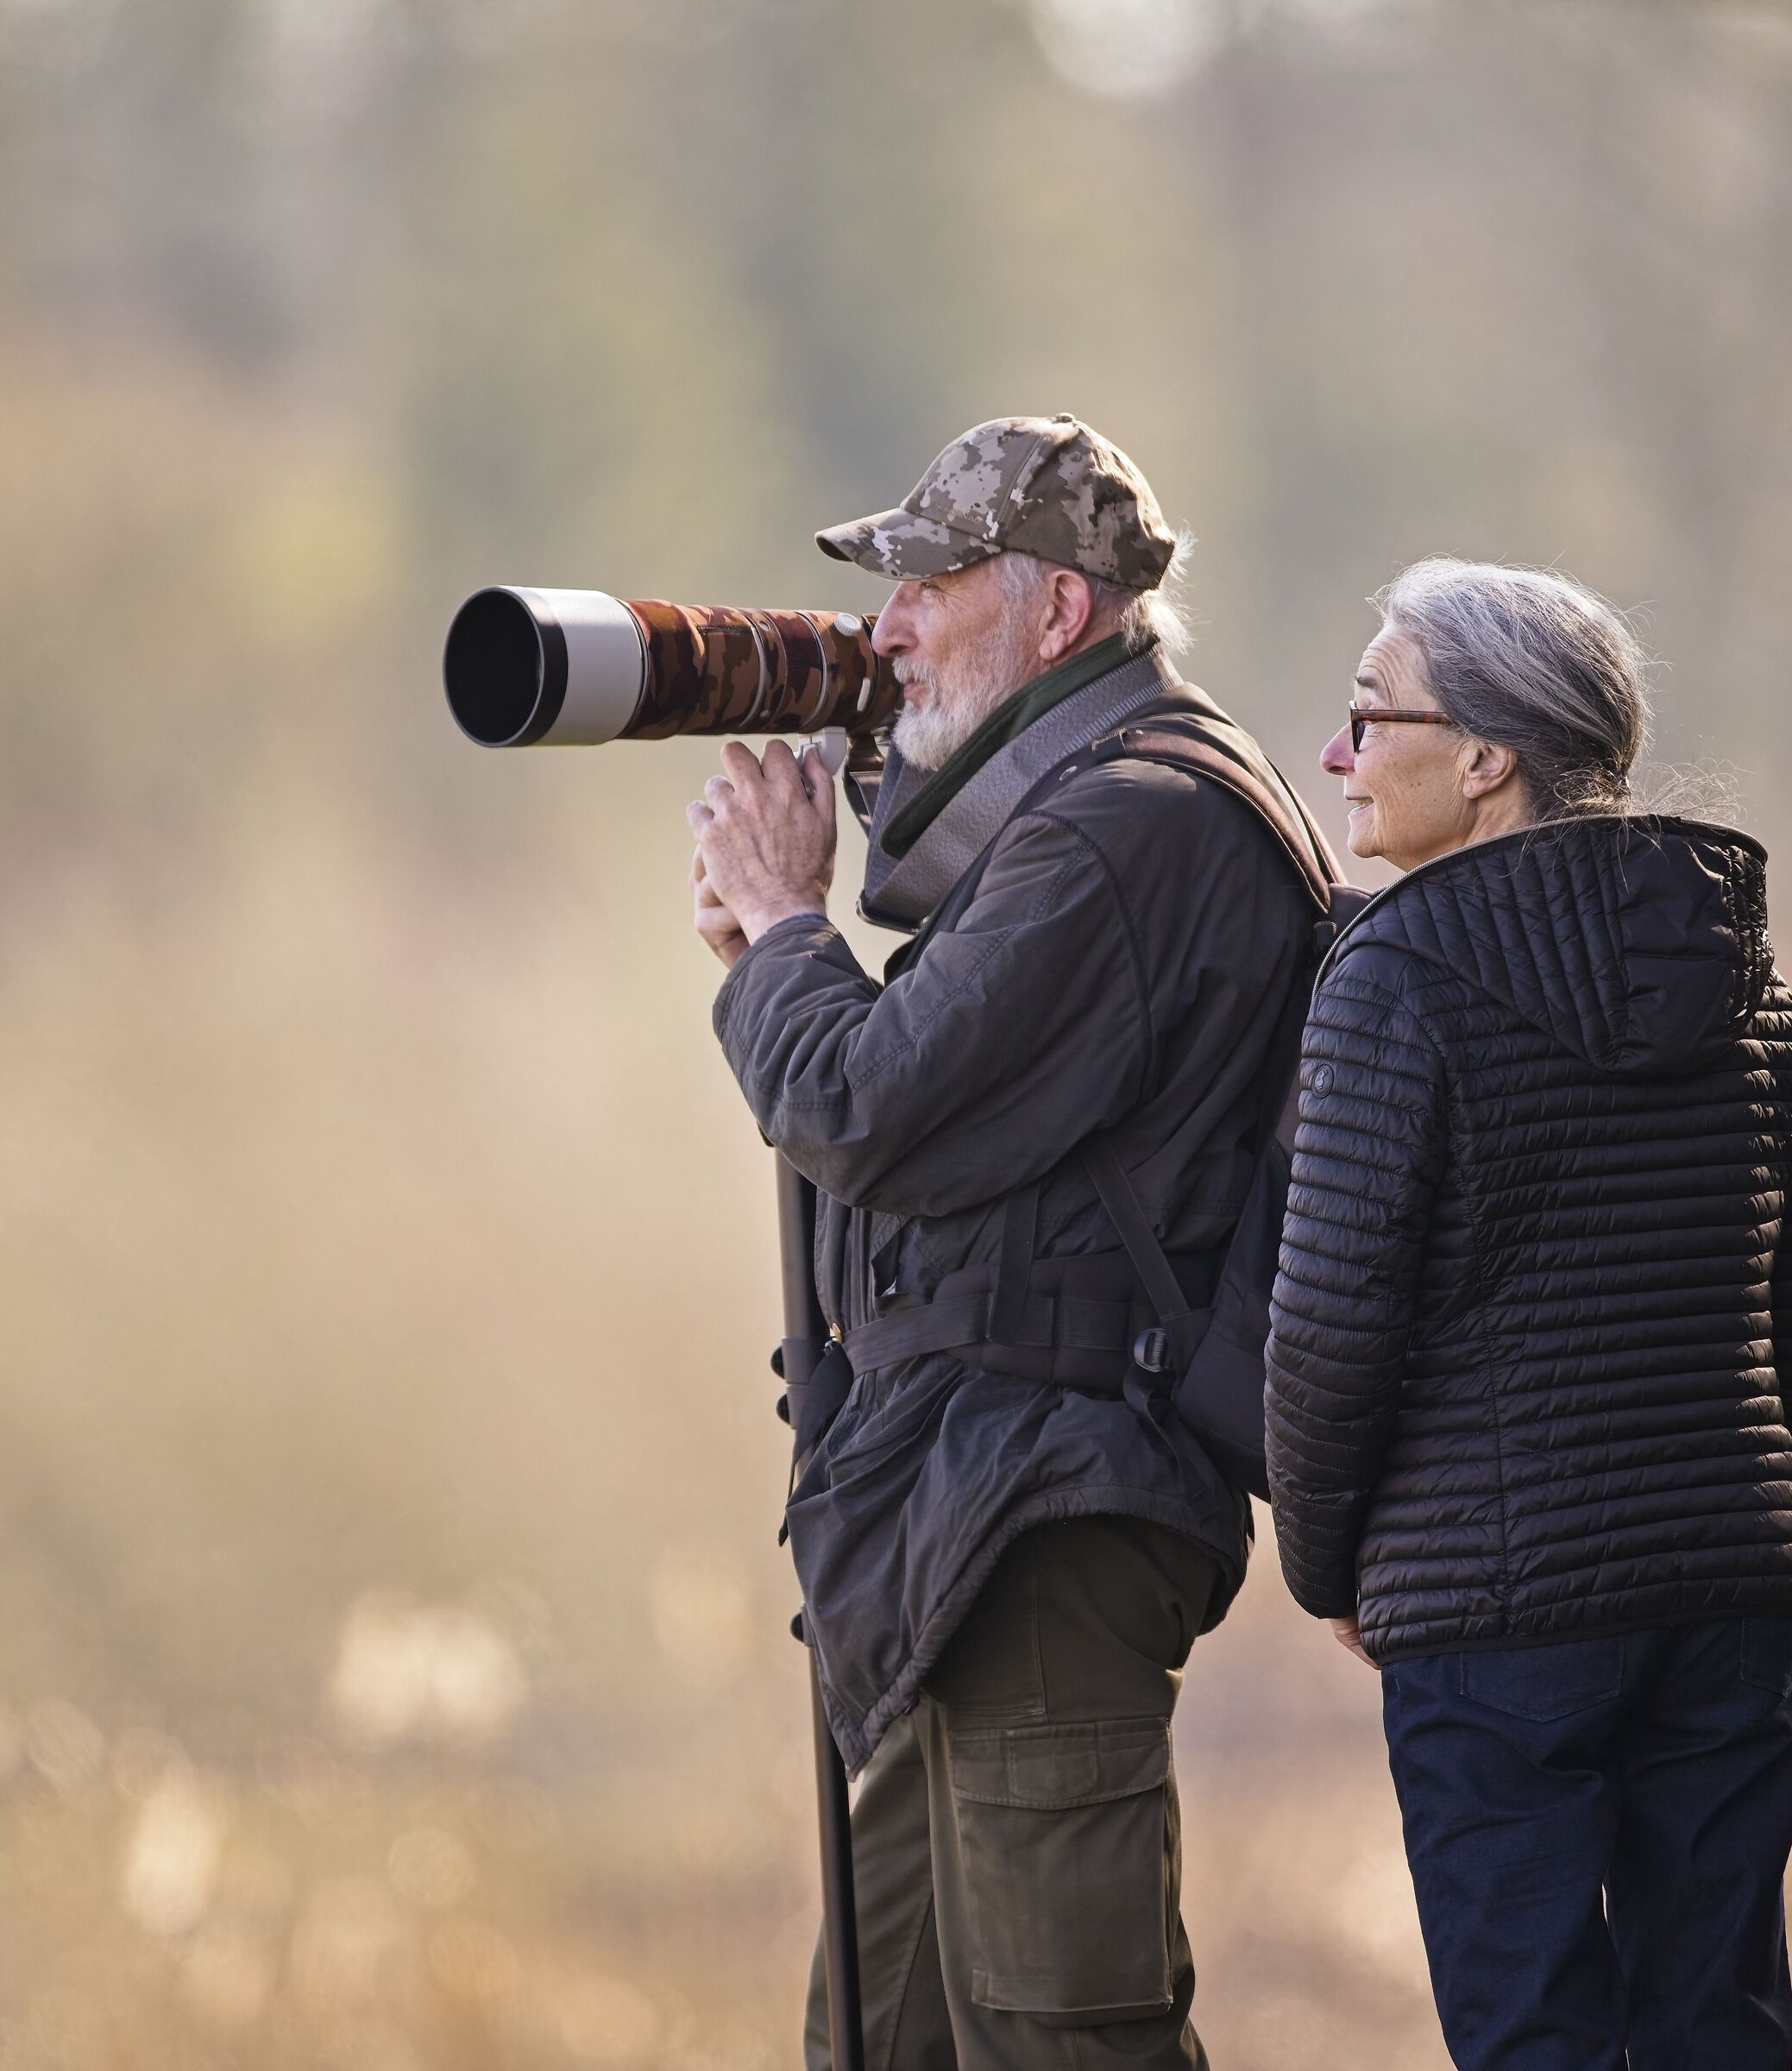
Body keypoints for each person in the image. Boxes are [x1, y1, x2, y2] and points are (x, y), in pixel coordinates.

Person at [687, 415, 1323, 2069]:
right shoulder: (1093, 814)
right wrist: (790, 938)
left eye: (928, 580)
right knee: (885, 2043)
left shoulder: (1136, 824)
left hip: (1045, 1505)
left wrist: (776, 932)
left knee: (1061, 2037)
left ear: (1059, 614)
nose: (884, 631)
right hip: (959, 1510)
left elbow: (867, 1104)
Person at [1264, 557, 1792, 2071]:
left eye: (1364, 714)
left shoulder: (1391, 978)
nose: (1335, 754)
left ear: (1484, 758)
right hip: (1728, 1603)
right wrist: (1682, 1461)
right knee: (1718, 2034)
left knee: (1535, 2039)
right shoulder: (1749, 981)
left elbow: (1331, 1332)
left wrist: (1333, 1563)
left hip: (1493, 1622)